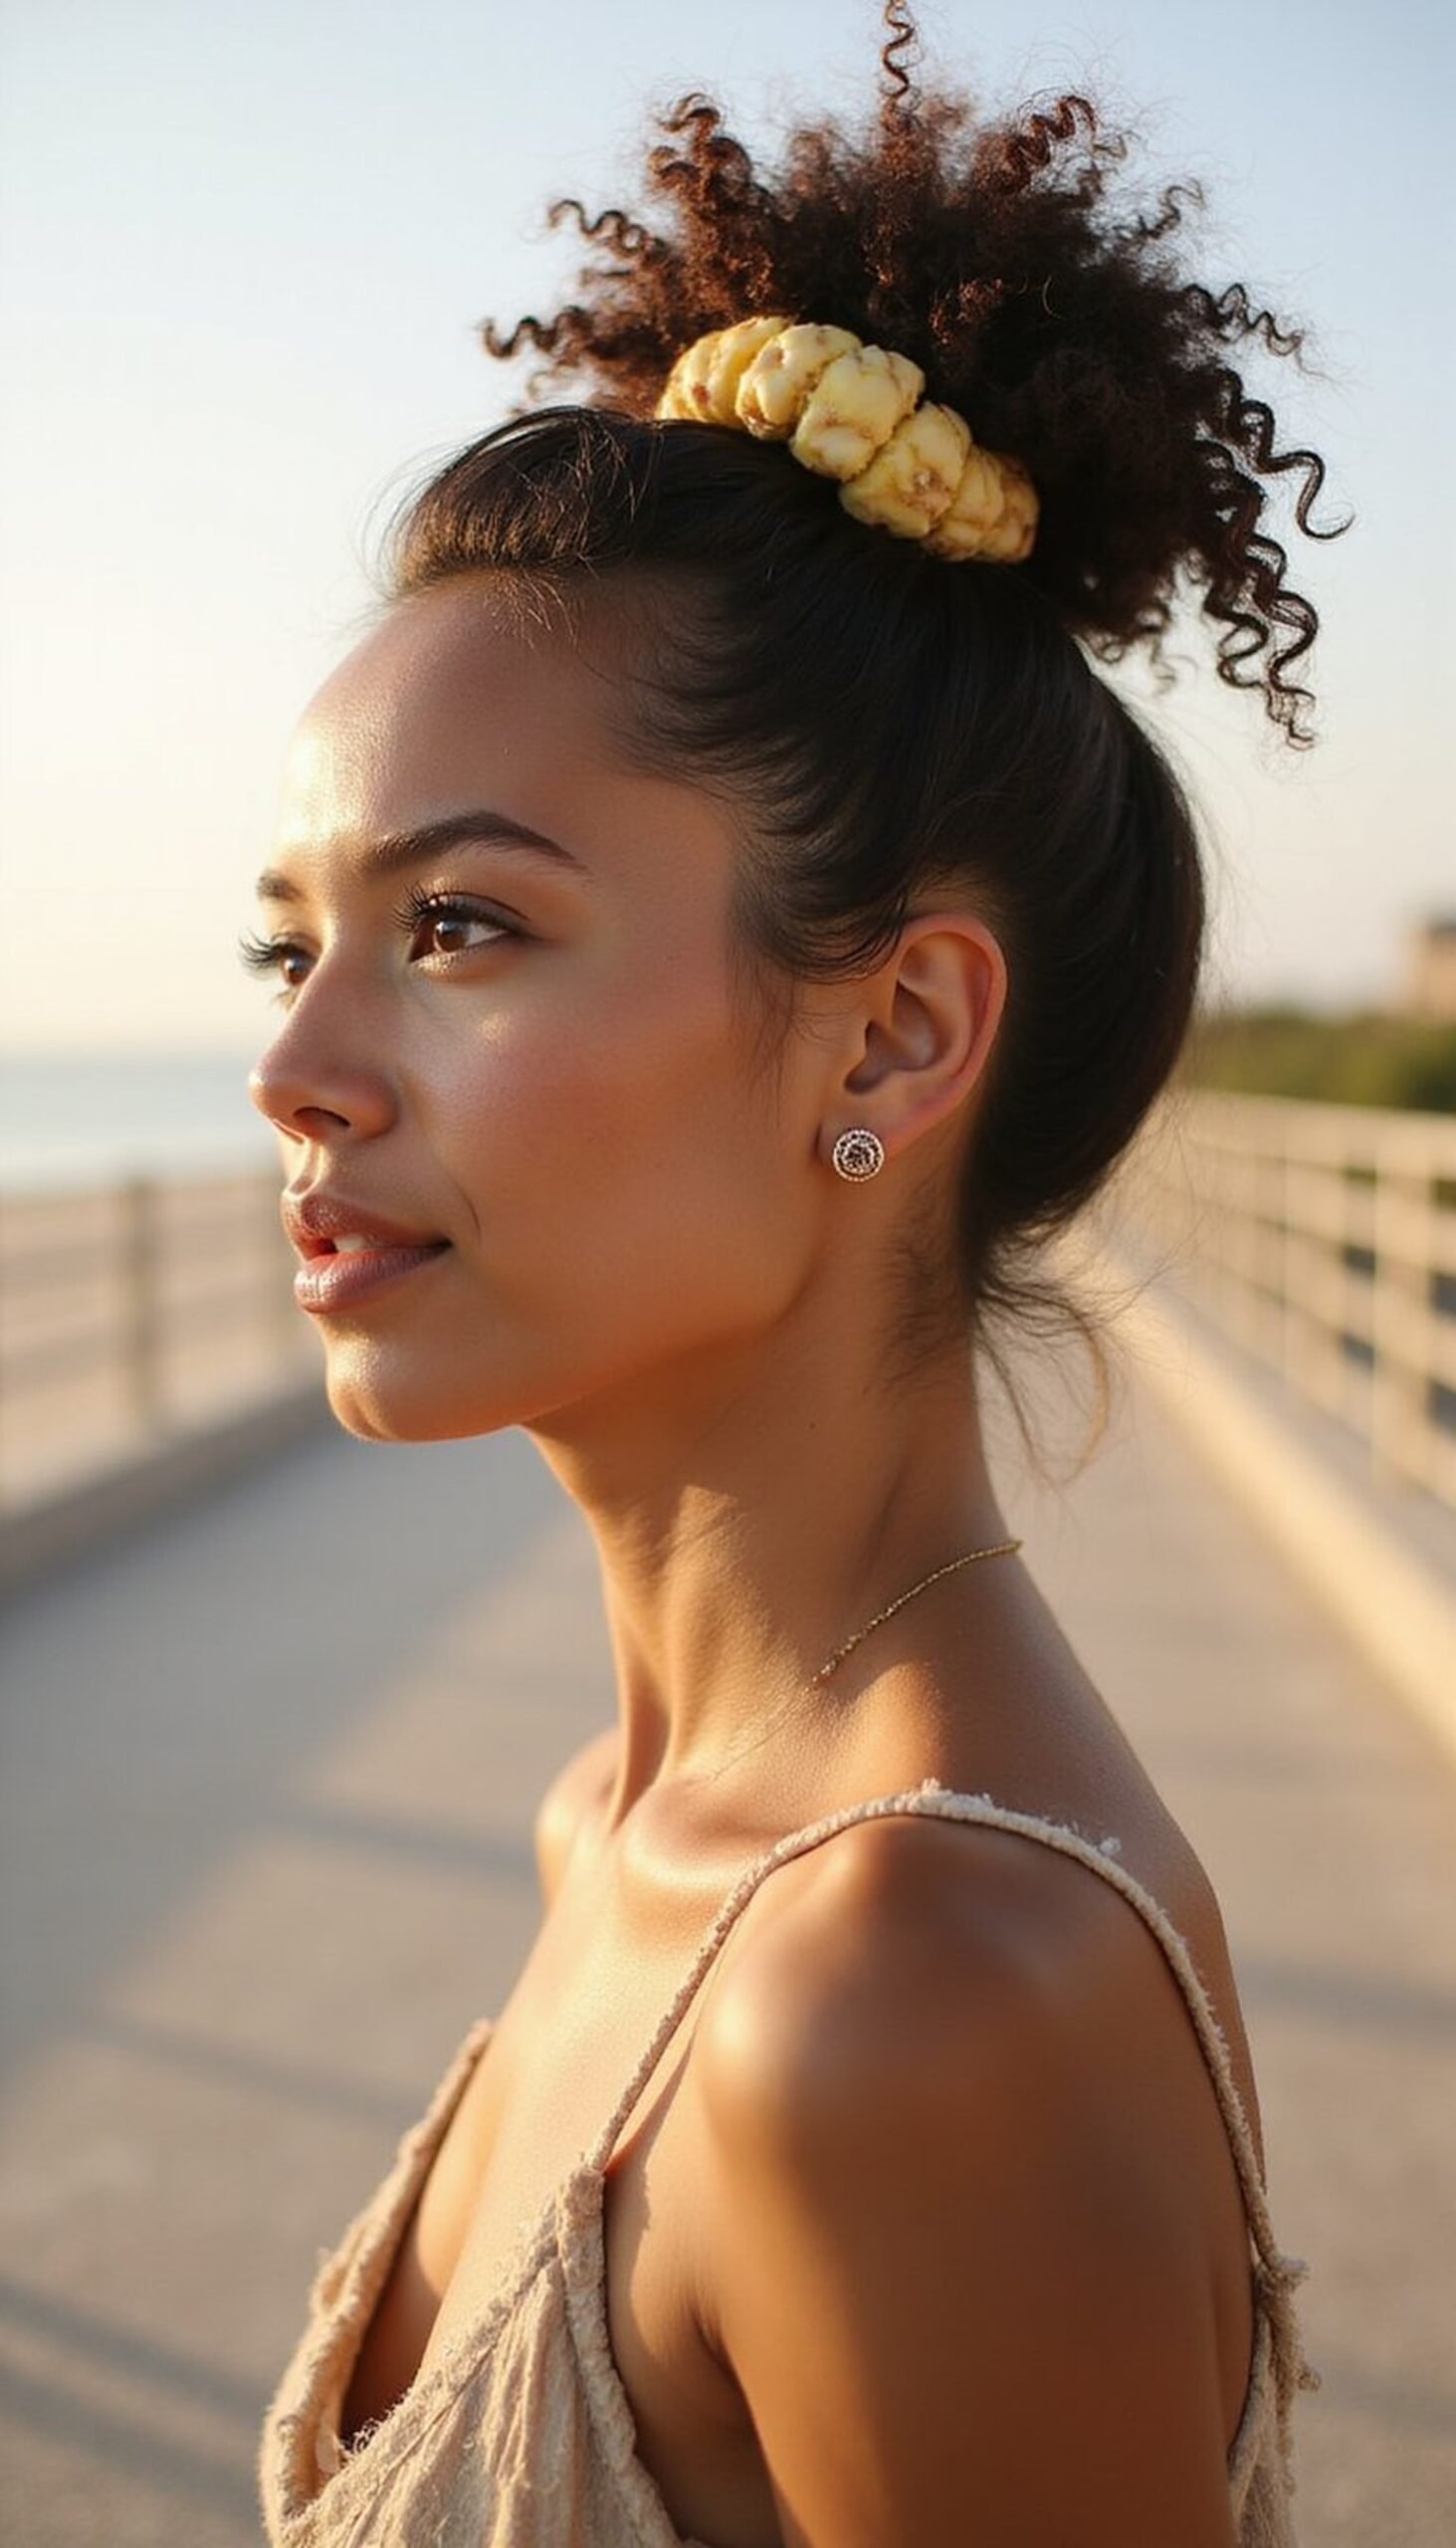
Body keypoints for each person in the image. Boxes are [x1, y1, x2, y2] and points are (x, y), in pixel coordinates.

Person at [252, 9, 1334, 2541]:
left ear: (898, 1027)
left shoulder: (917, 1990)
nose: (297, 1062)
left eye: (461, 924)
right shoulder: (617, 1826)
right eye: (290, 941)